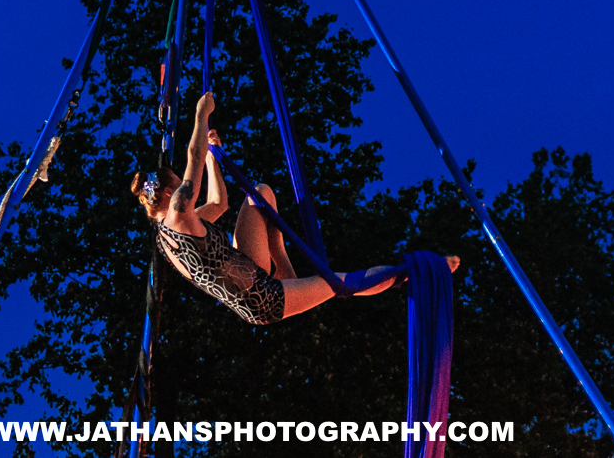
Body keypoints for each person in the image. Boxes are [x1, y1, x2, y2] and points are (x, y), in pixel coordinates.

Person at [129, 90, 458, 326]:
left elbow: (219, 202)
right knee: (340, 283)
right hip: (260, 300)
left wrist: (215, 155)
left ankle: (284, 267)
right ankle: (417, 273)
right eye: (178, 183)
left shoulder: (170, 233)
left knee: (261, 194)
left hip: (249, 268)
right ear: (170, 192)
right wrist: (201, 115)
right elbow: (192, 158)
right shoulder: (179, 210)